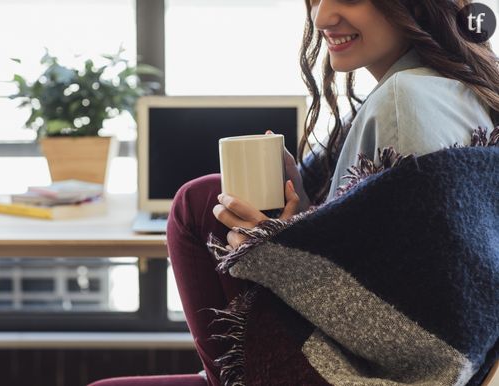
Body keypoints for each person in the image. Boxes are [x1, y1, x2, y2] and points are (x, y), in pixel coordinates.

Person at [89, 0, 498, 385]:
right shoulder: (463, 90)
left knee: (201, 202)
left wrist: (279, 252)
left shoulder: (403, 99)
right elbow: (401, 258)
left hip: (378, 372)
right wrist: (305, 216)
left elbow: (413, 317)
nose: (321, 18)